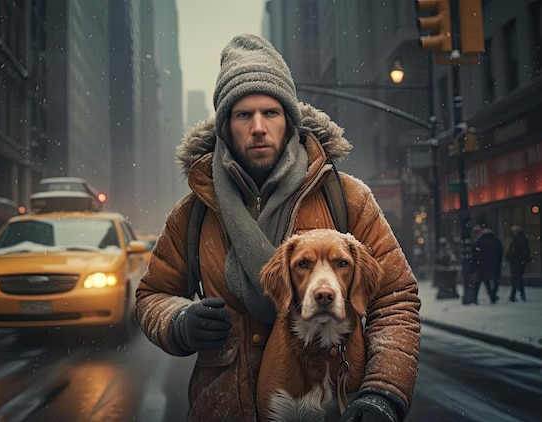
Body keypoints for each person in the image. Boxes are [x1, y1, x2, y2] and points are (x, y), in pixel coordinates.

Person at [134, 34, 421, 421]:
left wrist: (382, 393)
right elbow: (152, 294)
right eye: (242, 114)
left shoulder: (346, 197)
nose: (257, 127)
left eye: (270, 112)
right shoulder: (193, 211)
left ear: (288, 120)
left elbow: (395, 300)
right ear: (225, 127)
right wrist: (178, 322)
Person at [471, 225, 503, 304]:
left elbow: (475, 254)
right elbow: (500, 253)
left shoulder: (480, 241)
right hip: (494, 265)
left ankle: (475, 298)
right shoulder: (496, 241)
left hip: (482, 265)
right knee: (493, 282)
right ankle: (492, 295)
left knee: (481, 282)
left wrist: (476, 264)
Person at [506, 225, 530, 302]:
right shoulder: (522, 239)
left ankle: (514, 295)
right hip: (519, 262)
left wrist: (509, 256)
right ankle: (521, 295)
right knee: (519, 279)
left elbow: (514, 251)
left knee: (516, 279)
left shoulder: (518, 240)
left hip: (516, 262)